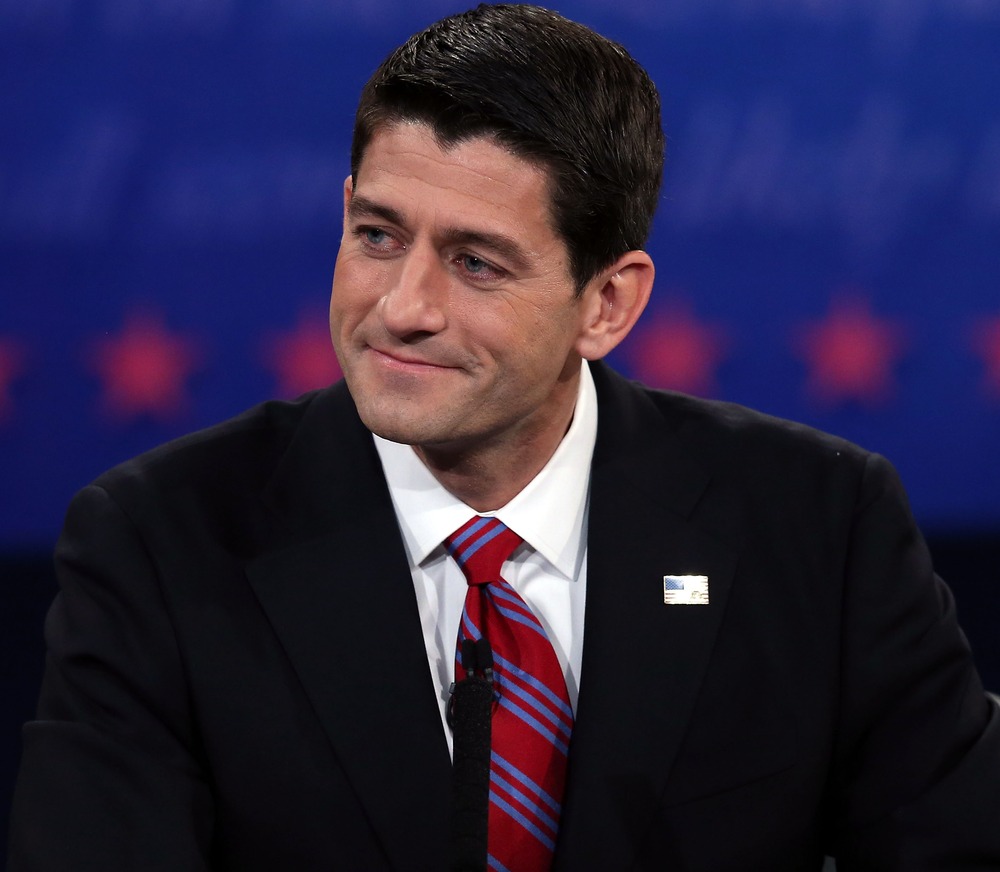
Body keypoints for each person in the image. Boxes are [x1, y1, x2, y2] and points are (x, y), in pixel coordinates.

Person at [9, 4, 1000, 871]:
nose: (401, 307)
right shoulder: (159, 542)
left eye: (475, 263)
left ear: (606, 302)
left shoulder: (819, 525)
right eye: (378, 235)